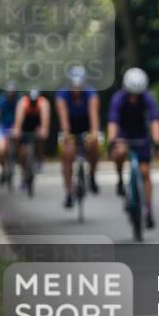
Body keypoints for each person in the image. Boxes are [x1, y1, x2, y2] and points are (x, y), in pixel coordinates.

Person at [107, 67, 159, 229]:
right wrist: (112, 142)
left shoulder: (147, 98)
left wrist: (157, 142)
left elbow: (155, 121)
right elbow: (113, 122)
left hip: (141, 134)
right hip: (123, 133)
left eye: (136, 95)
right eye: (131, 94)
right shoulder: (118, 99)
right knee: (120, 152)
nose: (133, 98)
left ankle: (149, 210)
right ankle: (120, 178)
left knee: (145, 172)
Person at [55, 65, 101, 208]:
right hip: (70, 127)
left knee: (94, 145)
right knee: (67, 154)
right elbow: (63, 119)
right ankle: (69, 192)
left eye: (79, 87)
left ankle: (92, 176)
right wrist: (67, 134)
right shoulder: (61, 96)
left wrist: (94, 133)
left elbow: (94, 117)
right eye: (74, 87)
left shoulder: (91, 94)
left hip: (86, 126)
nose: (77, 90)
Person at [11, 89, 50, 189]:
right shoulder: (22, 102)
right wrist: (17, 130)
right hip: (25, 125)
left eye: (35, 101)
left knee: (41, 137)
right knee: (23, 152)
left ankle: (40, 159)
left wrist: (44, 129)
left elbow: (45, 119)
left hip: (37, 124)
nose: (33, 103)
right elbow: (19, 120)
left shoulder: (43, 103)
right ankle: (24, 176)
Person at [0, 81, 19, 183]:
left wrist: (18, 127)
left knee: (20, 146)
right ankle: (2, 170)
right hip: (2, 127)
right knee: (2, 150)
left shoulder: (19, 100)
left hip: (15, 125)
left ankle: (22, 167)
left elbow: (22, 114)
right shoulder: (1, 100)